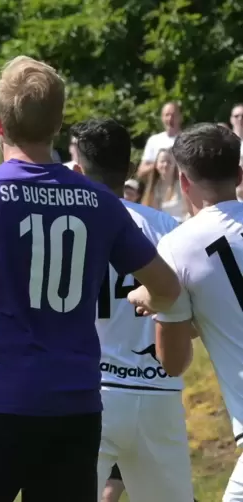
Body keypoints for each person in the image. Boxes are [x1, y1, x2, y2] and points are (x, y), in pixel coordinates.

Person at [0, 56, 181, 502]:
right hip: (77, 412)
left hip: (1, 401)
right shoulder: (100, 202)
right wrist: (145, 295)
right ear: (59, 124)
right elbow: (167, 288)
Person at [71, 118, 193, 502]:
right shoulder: (168, 226)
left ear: (76, 169)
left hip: (87, 393)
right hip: (157, 393)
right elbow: (188, 314)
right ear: (128, 170)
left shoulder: (68, 225)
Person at [128, 123, 243, 501]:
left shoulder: (177, 247)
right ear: (239, 175)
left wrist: (154, 300)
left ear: (183, 182)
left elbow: (173, 361)